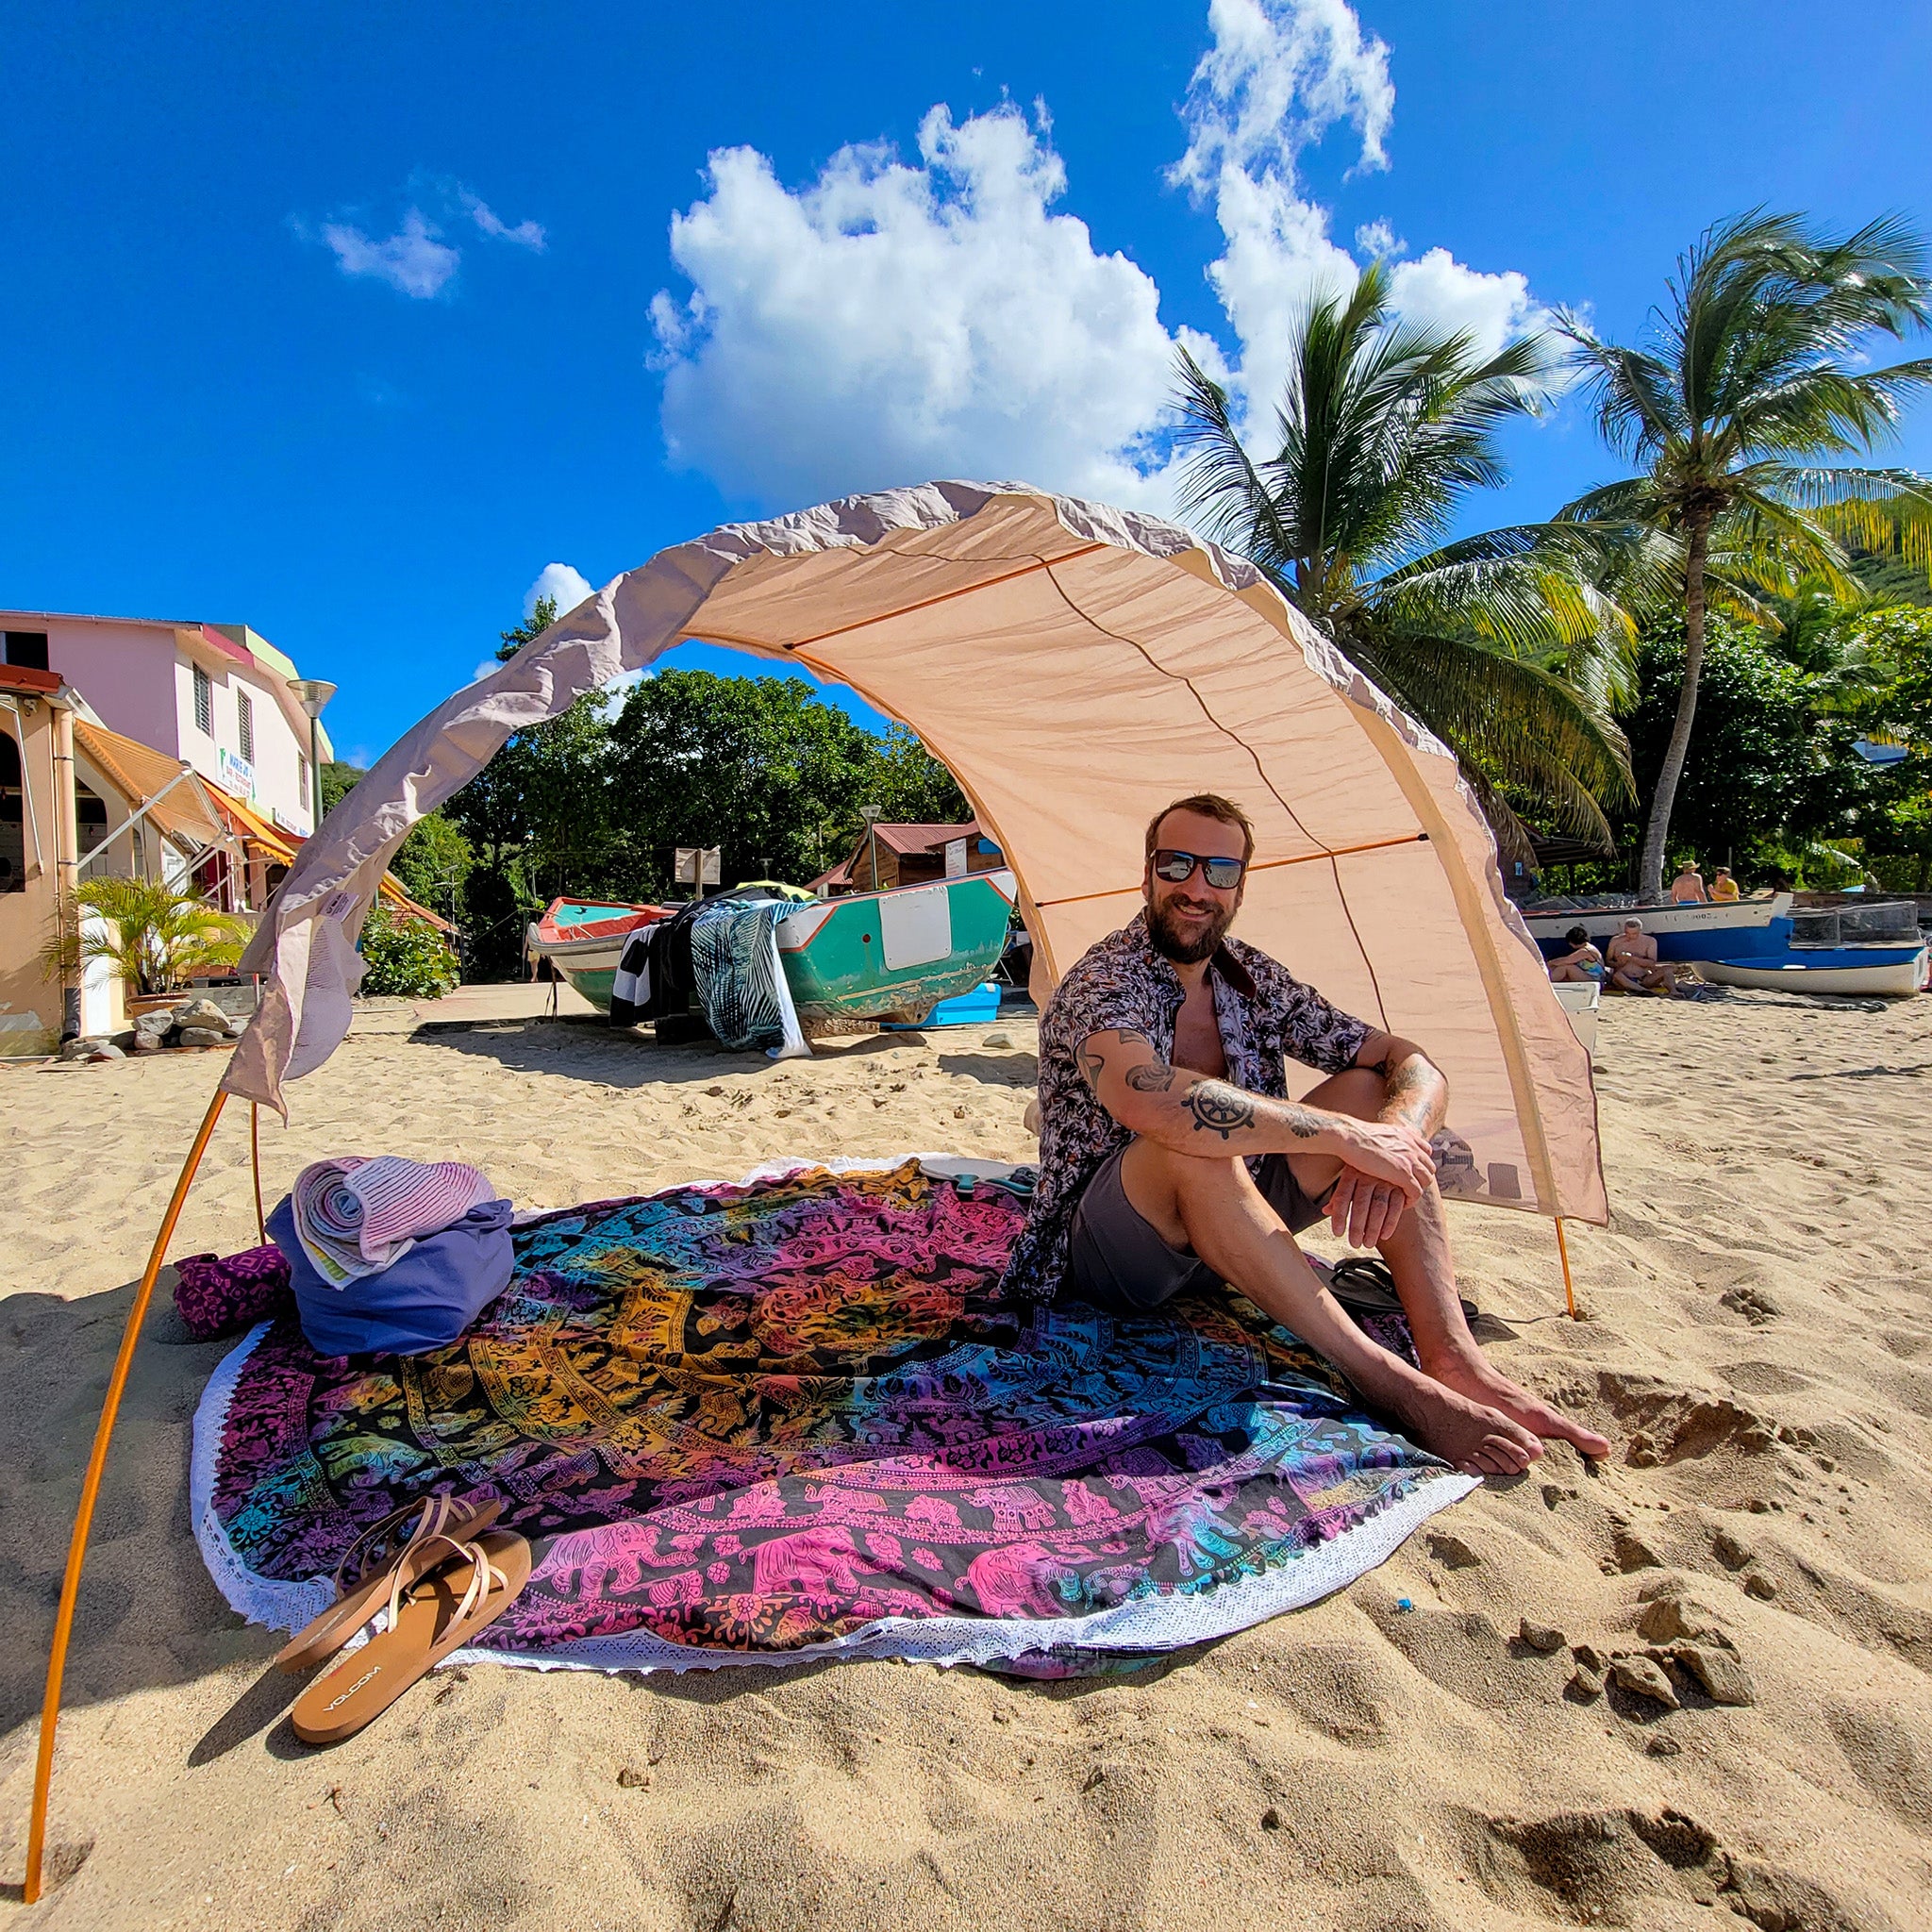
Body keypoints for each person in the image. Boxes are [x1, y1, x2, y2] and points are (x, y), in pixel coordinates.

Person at [1000, 791, 1610, 1476]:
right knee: (1192, 1138)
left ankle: (1450, 1357)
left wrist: (1393, 1138)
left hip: (1232, 1221)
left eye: (1220, 871)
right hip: (1110, 1251)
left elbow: (1408, 1061)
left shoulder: (1252, 977)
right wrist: (1343, 1139)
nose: (1197, 888)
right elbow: (1146, 1098)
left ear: (1240, 888)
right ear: (1147, 877)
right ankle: (1393, 1383)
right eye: (1177, 864)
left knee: (1373, 1094)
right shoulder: (1106, 980)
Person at [1606, 917, 1681, 995]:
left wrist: (1632, 958)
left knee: (1667, 970)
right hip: (1624, 978)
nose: (1630, 936)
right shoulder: (1615, 941)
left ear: (1640, 931)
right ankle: (1644, 991)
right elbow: (1608, 961)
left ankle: (1673, 991)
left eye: (1634, 934)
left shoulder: (1649, 941)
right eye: (1627, 933)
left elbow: (1652, 963)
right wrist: (1619, 963)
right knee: (1617, 975)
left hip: (1643, 977)